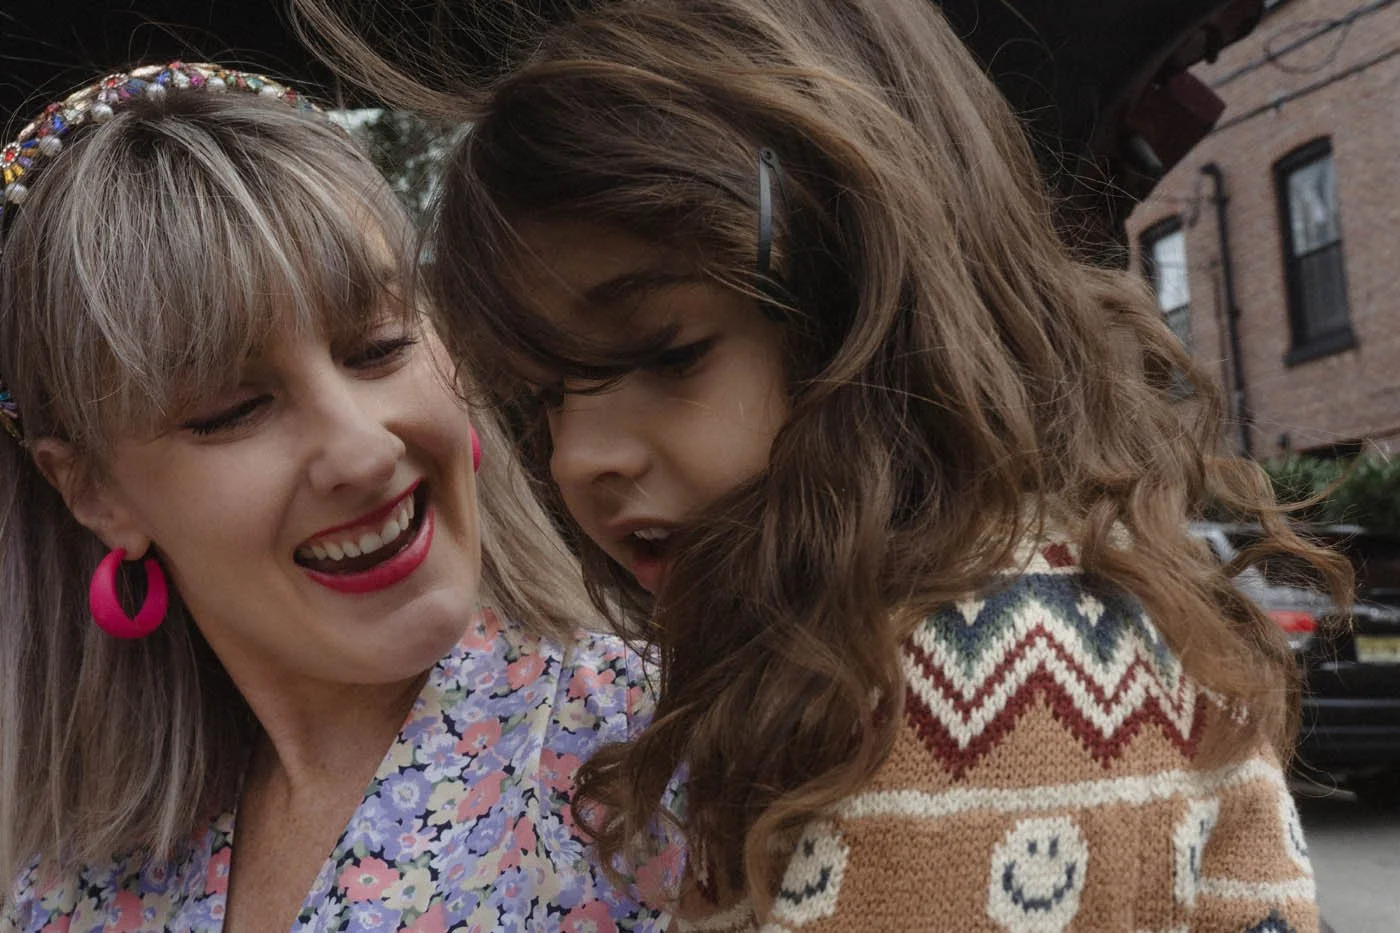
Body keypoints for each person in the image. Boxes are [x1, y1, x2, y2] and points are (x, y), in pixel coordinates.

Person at [296, 1, 1351, 930]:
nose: (582, 461)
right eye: (541, 399)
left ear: (869, 295)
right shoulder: (931, 626)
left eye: (668, 355)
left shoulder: (968, 687)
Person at [0, 62, 672, 932]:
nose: (360, 449)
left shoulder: (672, 755)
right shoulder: (65, 890)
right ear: (91, 493)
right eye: (233, 409)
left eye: (380, 347)